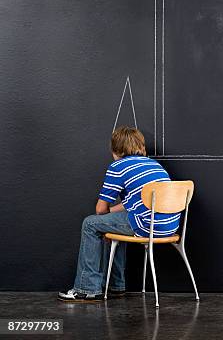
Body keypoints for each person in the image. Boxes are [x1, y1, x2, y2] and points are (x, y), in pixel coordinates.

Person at [58, 127, 180, 302]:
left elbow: (100, 209)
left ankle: (87, 289)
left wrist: (104, 216)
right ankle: (116, 286)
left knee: (90, 224)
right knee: (114, 224)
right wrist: (109, 217)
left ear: (116, 150)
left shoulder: (118, 166)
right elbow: (134, 203)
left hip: (145, 225)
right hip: (169, 226)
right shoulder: (153, 164)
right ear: (141, 146)